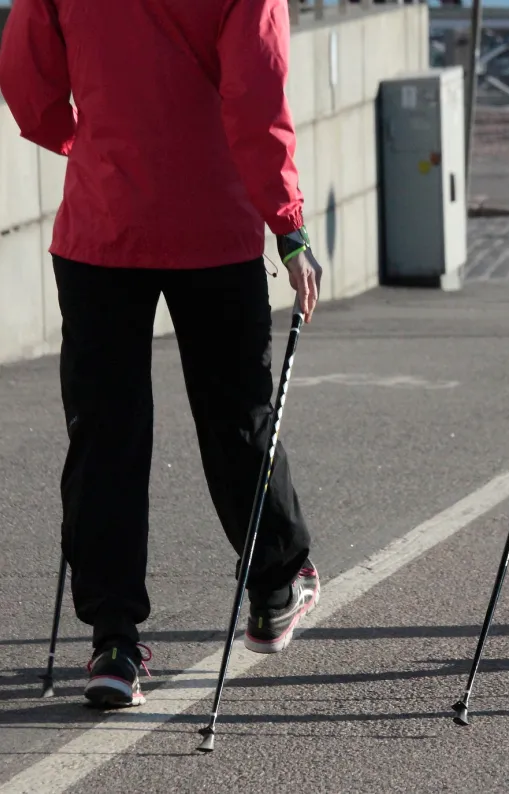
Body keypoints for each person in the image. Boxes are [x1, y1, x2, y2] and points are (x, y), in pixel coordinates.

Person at [0, 0, 323, 709]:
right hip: (213, 224)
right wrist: (289, 223)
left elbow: (27, 82)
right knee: (235, 412)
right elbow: (255, 94)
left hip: (101, 222)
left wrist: (84, 142)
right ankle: (274, 581)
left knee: (105, 431)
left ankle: (113, 641)